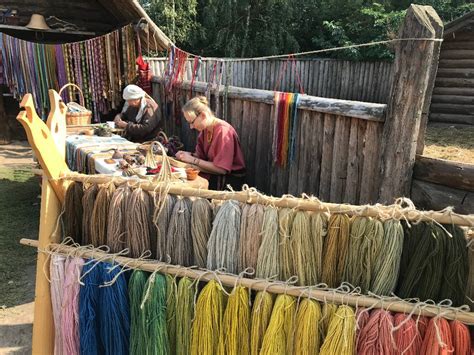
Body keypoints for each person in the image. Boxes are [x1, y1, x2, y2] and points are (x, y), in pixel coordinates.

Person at [175, 96, 246, 190]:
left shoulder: (223, 131)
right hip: (214, 175)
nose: (191, 127)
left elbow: (221, 170)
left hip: (229, 183)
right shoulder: (205, 130)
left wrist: (192, 160)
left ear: (203, 115)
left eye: (192, 122)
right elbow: (200, 156)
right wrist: (187, 155)